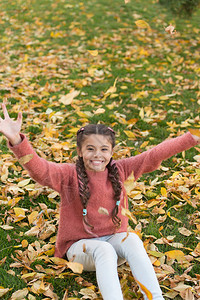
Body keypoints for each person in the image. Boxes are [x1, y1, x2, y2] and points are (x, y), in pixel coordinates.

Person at [0, 102, 199, 300]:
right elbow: (40, 170)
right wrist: (17, 140)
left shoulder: (121, 170)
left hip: (114, 244)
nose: (97, 155)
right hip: (79, 249)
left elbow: (154, 155)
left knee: (132, 239)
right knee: (104, 250)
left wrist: (192, 136)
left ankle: (155, 298)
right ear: (79, 151)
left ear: (111, 152)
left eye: (104, 149)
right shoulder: (68, 175)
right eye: (90, 149)